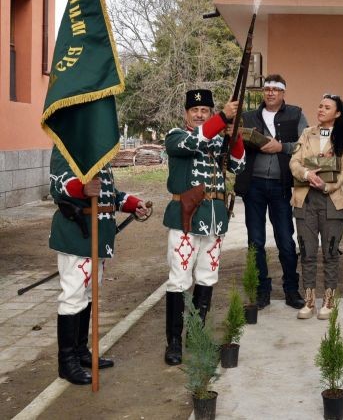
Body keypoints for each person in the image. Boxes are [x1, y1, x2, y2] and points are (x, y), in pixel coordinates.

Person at [49, 147, 149, 385]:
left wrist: (132, 204)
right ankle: (67, 362)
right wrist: (83, 188)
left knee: (87, 295)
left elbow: (109, 194)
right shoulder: (66, 145)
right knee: (73, 296)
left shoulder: (96, 151)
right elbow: (58, 184)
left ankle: (81, 351)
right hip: (77, 234)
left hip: (98, 235)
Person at [162, 89, 245, 365]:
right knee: (179, 278)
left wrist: (235, 135)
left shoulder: (218, 139)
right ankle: (174, 341)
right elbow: (194, 142)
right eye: (195, 110)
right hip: (185, 218)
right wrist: (221, 118)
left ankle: (195, 335)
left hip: (214, 218)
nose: (199, 114)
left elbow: (238, 165)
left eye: (205, 111)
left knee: (208, 277)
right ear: (186, 113)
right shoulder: (176, 136)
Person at [234, 75, 308, 310]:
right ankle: (261, 291)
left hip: (281, 185)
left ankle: (291, 289)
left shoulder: (296, 114)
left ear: (283, 93)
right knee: (255, 241)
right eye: (267, 89)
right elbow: (235, 145)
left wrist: (281, 147)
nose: (270, 92)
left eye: (276, 89)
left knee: (285, 240)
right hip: (253, 185)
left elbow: (305, 146)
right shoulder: (248, 117)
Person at [290, 94, 343, 320]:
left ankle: (328, 300)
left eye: (327, 107)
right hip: (305, 199)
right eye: (320, 106)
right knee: (307, 252)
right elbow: (294, 161)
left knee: (330, 252)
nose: (321, 109)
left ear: (337, 113)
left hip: (332, 200)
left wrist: (328, 185)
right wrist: (307, 174)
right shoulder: (307, 133)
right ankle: (309, 301)